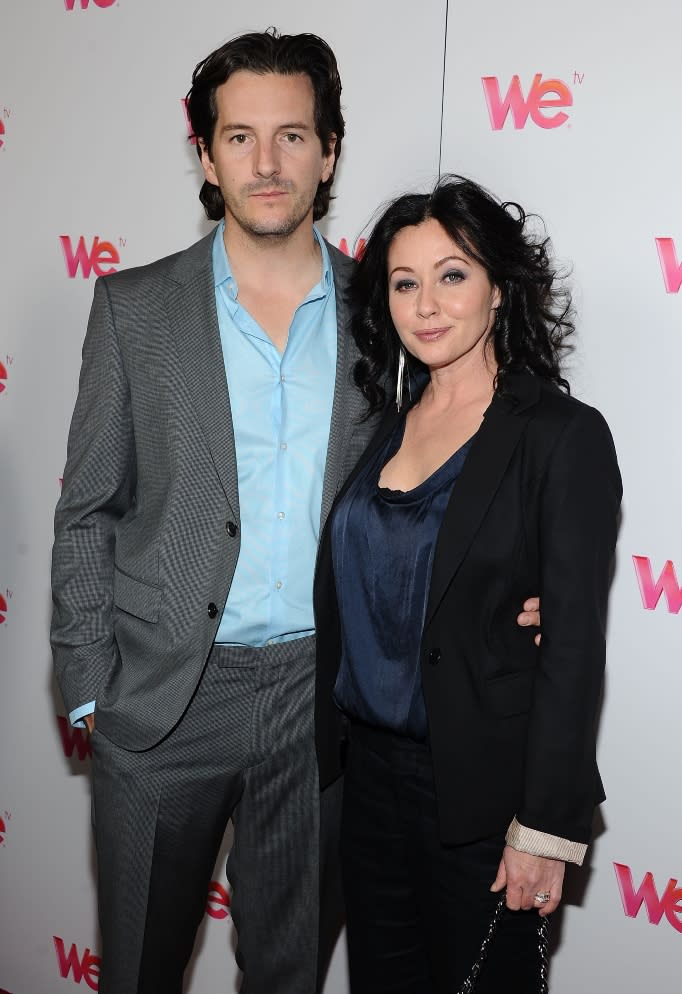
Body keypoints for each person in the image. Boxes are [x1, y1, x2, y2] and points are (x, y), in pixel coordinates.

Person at [50, 27, 541, 993]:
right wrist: (87, 680)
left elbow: (452, 470)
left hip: (323, 701)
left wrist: (519, 586)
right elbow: (86, 509)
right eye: (239, 137)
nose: (266, 162)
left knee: (292, 974)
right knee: (138, 971)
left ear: (329, 151)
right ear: (206, 153)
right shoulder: (132, 311)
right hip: (160, 700)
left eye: (292, 135)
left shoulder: (388, 310)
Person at [313, 176, 621, 994]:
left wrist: (545, 829)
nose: (426, 303)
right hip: (367, 785)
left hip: (485, 798)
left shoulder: (560, 435)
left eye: (452, 275)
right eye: (404, 282)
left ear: (499, 288)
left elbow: (575, 650)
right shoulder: (380, 422)